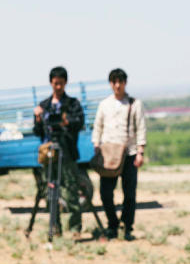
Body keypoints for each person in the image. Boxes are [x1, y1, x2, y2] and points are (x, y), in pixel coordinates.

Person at [92, 68, 147, 241]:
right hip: (109, 154)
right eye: (114, 82)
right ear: (110, 84)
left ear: (125, 83)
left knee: (129, 193)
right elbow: (98, 126)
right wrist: (96, 145)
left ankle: (127, 226)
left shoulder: (134, 103)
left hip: (129, 153)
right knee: (105, 193)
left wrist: (140, 151)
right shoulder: (104, 104)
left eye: (120, 81)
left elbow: (141, 128)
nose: (117, 85)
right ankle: (112, 224)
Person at [33, 66, 87, 237]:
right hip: (50, 155)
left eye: (61, 84)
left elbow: (79, 123)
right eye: (56, 83)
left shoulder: (72, 105)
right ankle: (55, 227)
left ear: (65, 83)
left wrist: (66, 122)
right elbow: (38, 132)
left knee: (71, 190)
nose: (58, 87)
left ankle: (74, 228)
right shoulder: (44, 106)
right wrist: (38, 118)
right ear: (51, 83)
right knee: (51, 192)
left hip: (67, 152)